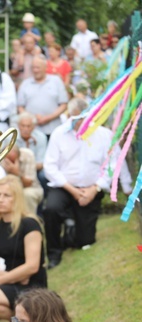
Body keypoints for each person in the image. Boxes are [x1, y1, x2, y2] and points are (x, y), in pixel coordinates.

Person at [42, 97, 130, 269]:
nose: (79, 123)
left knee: (85, 241)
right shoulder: (59, 134)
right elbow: (50, 167)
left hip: (92, 188)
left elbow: (113, 164)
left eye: (83, 119)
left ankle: (71, 231)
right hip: (65, 187)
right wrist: (72, 190)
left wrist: (95, 188)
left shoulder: (104, 135)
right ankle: (53, 253)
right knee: (51, 209)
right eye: (75, 119)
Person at [0, 175, 47, 322]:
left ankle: (22, 321)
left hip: (32, 284)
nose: (1, 200)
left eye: (7, 195)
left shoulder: (30, 224)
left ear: (16, 198)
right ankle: (20, 320)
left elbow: (32, 267)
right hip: (12, 280)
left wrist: (0, 279)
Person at [17, 56, 69, 138]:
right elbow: (20, 107)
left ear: (45, 67)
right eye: (33, 67)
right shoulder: (25, 84)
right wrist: (31, 119)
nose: (35, 70)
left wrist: (48, 118)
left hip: (53, 130)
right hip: (31, 133)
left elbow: (64, 105)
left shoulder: (56, 81)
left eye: (38, 67)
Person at [1, 147, 43, 214]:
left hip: (31, 188)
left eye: (13, 160)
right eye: (8, 160)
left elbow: (28, 183)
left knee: (28, 194)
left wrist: (17, 173)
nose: (11, 163)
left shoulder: (28, 155)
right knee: (2, 195)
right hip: (8, 189)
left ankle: (29, 221)